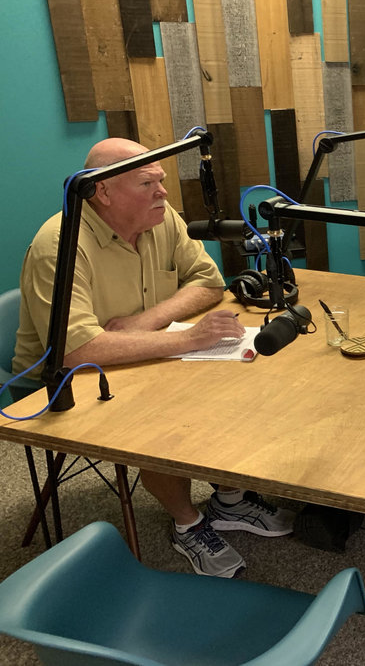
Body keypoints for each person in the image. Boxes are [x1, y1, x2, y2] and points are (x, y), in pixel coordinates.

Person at [13, 137, 293, 578]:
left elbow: (209, 281)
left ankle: (230, 499)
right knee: (161, 415)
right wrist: (188, 340)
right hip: (66, 382)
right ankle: (189, 524)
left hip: (139, 351)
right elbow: (77, 350)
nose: (163, 192)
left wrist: (146, 322)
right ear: (102, 192)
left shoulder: (162, 219)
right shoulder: (59, 246)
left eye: (160, 180)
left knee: (241, 381)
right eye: (147, 183)